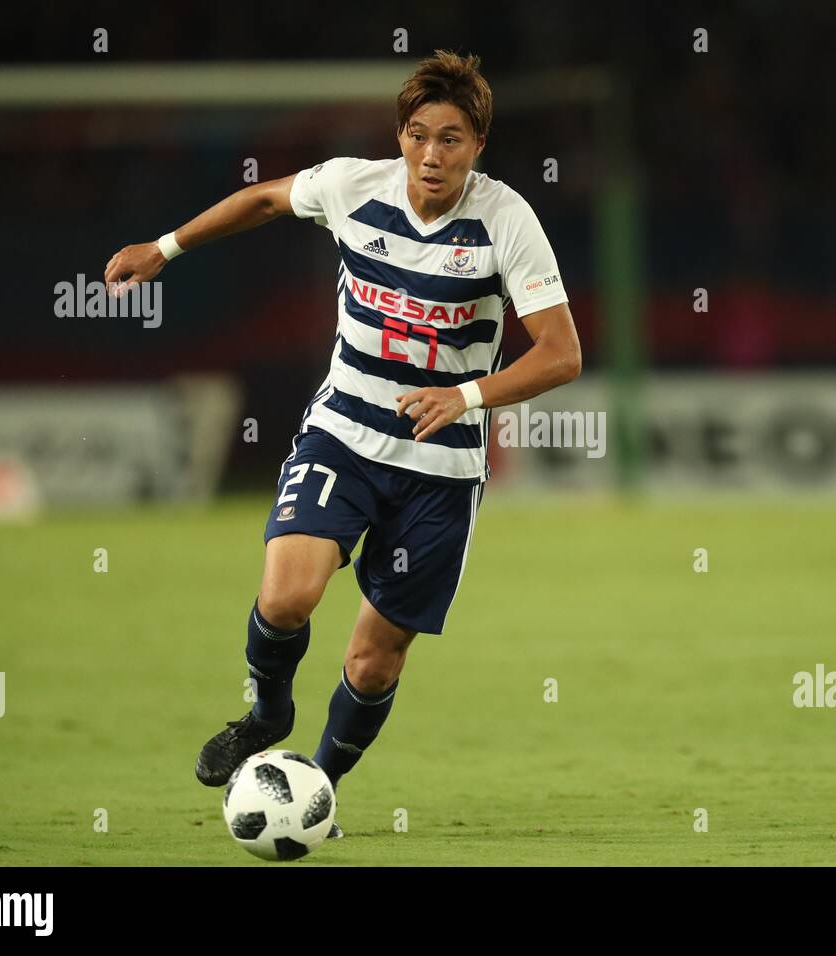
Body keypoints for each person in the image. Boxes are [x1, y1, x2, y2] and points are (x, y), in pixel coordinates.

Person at [103, 50, 581, 838]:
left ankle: (314, 787)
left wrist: (463, 395)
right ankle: (268, 713)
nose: (432, 154)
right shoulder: (353, 186)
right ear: (400, 136)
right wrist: (167, 247)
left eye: (452, 139)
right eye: (420, 135)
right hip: (345, 435)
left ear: (478, 147)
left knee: (372, 663)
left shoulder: (505, 221)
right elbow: (262, 200)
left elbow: (560, 353)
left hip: (441, 469)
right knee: (287, 595)